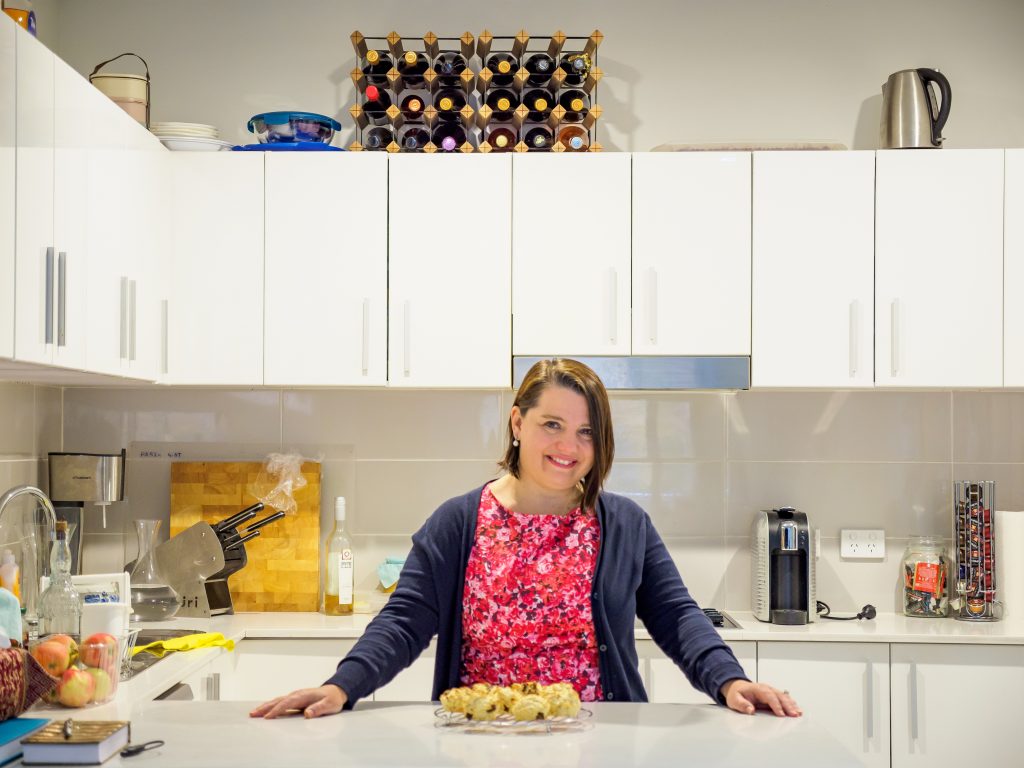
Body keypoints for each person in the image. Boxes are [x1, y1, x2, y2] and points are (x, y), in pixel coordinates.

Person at [251, 358, 802, 720]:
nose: (570, 445)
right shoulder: (457, 522)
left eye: (587, 431)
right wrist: (342, 686)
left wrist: (730, 681)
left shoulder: (625, 524)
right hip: (477, 740)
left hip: (597, 742)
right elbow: (404, 621)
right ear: (518, 423)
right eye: (552, 425)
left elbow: (679, 617)